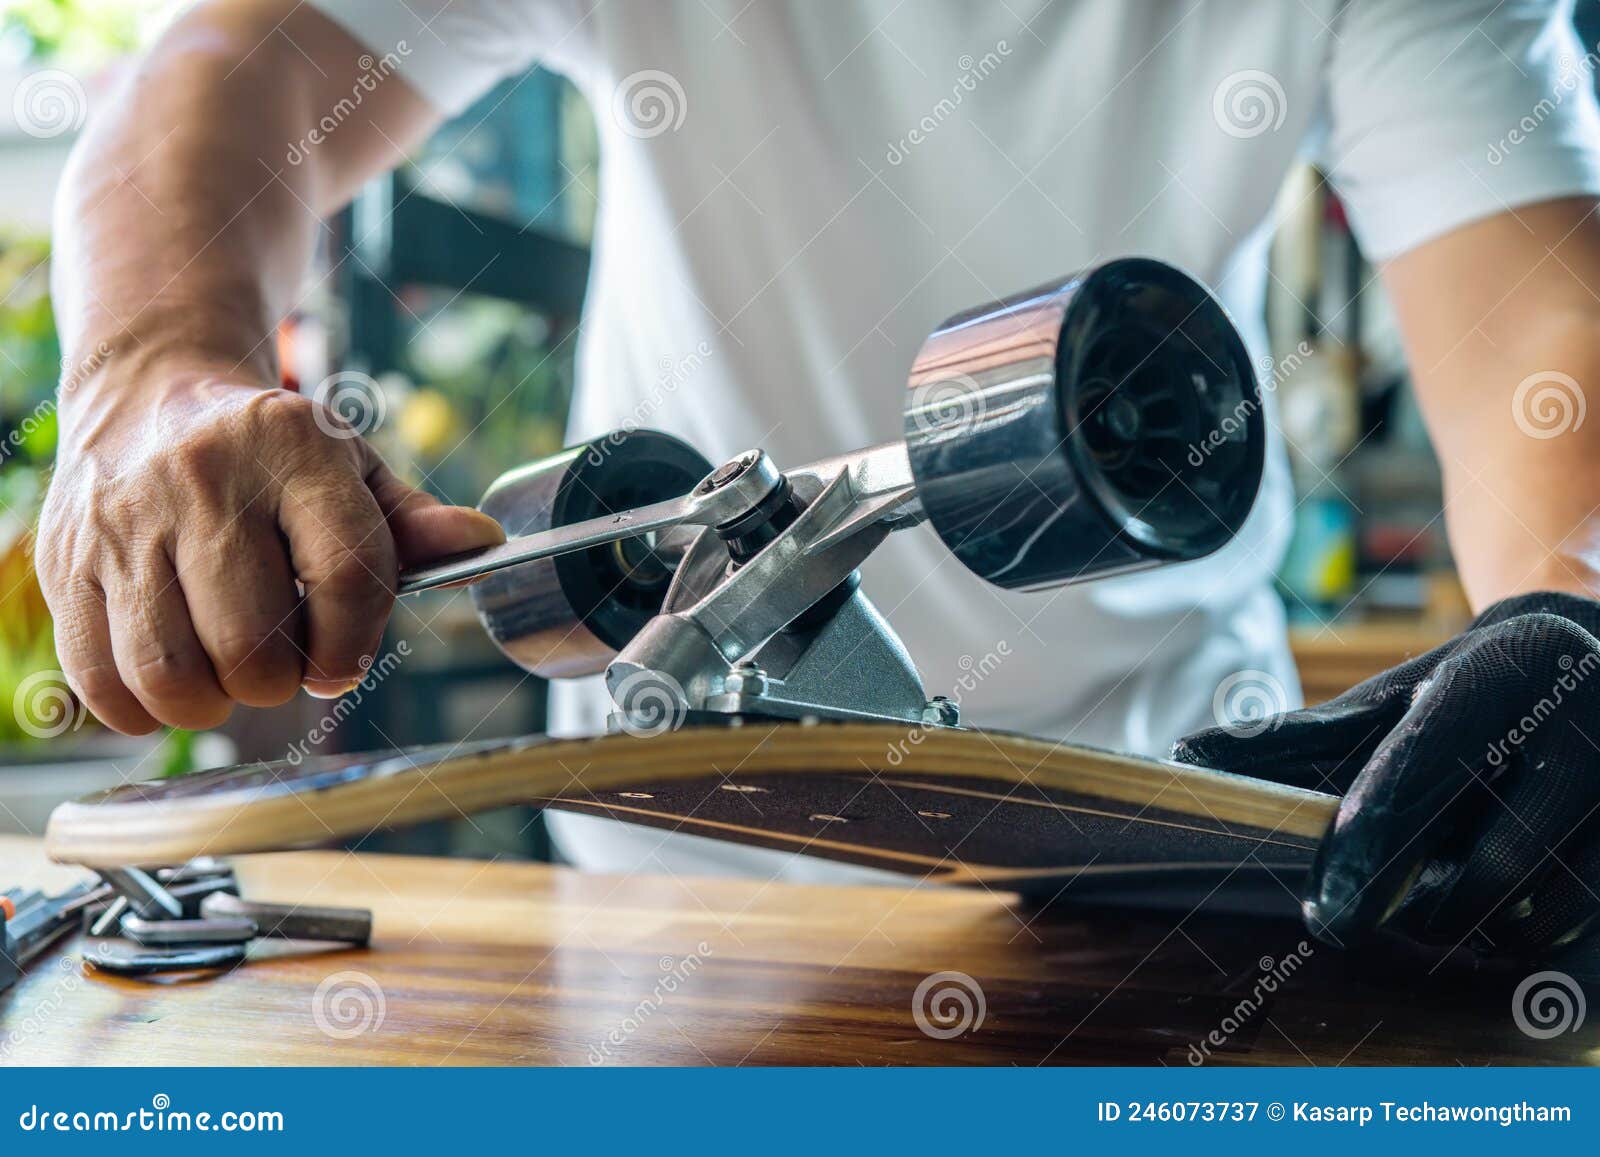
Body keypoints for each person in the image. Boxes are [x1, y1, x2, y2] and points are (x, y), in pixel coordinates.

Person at [39, 0, 1600, 961]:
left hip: (1204, 882)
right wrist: (154, 365)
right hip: (684, 910)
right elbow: (235, 63)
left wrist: (1575, 628)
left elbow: (1548, 337)